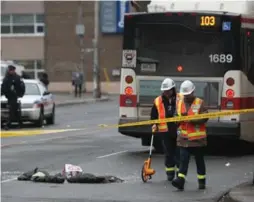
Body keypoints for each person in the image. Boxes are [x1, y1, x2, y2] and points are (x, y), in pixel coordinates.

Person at [172, 80, 208, 191]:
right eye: (185, 95)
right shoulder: (179, 103)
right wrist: (177, 120)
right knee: (183, 160)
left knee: (199, 162)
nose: (186, 97)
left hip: (197, 140)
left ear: (193, 92)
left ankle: (201, 182)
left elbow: (205, 117)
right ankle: (180, 181)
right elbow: (174, 116)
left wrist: (191, 119)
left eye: (188, 95)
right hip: (183, 139)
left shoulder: (200, 103)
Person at [150, 78, 180, 181]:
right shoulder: (158, 101)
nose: (166, 93)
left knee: (179, 153)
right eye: (165, 91)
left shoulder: (180, 98)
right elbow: (153, 116)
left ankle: (180, 175)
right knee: (168, 153)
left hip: (178, 130)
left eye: (168, 91)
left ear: (173, 89)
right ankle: (170, 173)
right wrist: (154, 124)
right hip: (165, 132)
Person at [1, 65, 25, 129]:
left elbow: (21, 87)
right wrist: (2, 93)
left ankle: (8, 124)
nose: (9, 71)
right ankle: (20, 123)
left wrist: (19, 94)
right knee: (15, 111)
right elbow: (3, 87)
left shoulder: (17, 78)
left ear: (13, 70)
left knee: (11, 110)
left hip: (14, 96)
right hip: (9, 96)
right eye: (9, 70)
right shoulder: (6, 78)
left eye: (11, 70)